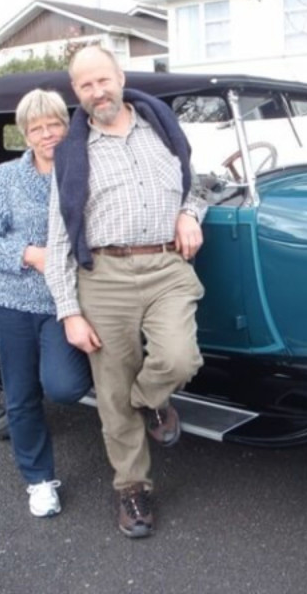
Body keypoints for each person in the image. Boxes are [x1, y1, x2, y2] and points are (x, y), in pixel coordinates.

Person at [45, 46, 207, 538]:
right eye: (86, 86)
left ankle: (151, 398)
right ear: (77, 93)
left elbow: (196, 187)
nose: (98, 92)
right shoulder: (72, 153)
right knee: (111, 393)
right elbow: (57, 239)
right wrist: (69, 312)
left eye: (103, 80)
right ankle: (131, 488)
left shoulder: (161, 128)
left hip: (166, 265)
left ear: (120, 77)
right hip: (104, 276)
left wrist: (190, 213)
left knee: (179, 358)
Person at [0, 89, 92, 518]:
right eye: (35, 128)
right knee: (20, 396)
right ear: (24, 134)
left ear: (66, 124)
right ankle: (39, 481)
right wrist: (29, 254)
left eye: (53, 124)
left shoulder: (84, 168)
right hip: (12, 301)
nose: (46, 134)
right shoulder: (6, 177)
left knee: (64, 386)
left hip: (66, 301)